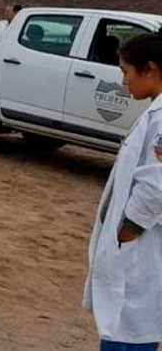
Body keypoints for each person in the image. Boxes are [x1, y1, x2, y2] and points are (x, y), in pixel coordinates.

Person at [83, 34, 162, 351]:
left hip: (139, 248)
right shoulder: (154, 113)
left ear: (150, 69)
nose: (123, 81)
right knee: (125, 325)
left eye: (126, 71)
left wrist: (128, 228)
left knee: (128, 333)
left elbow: (157, 184)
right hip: (133, 248)